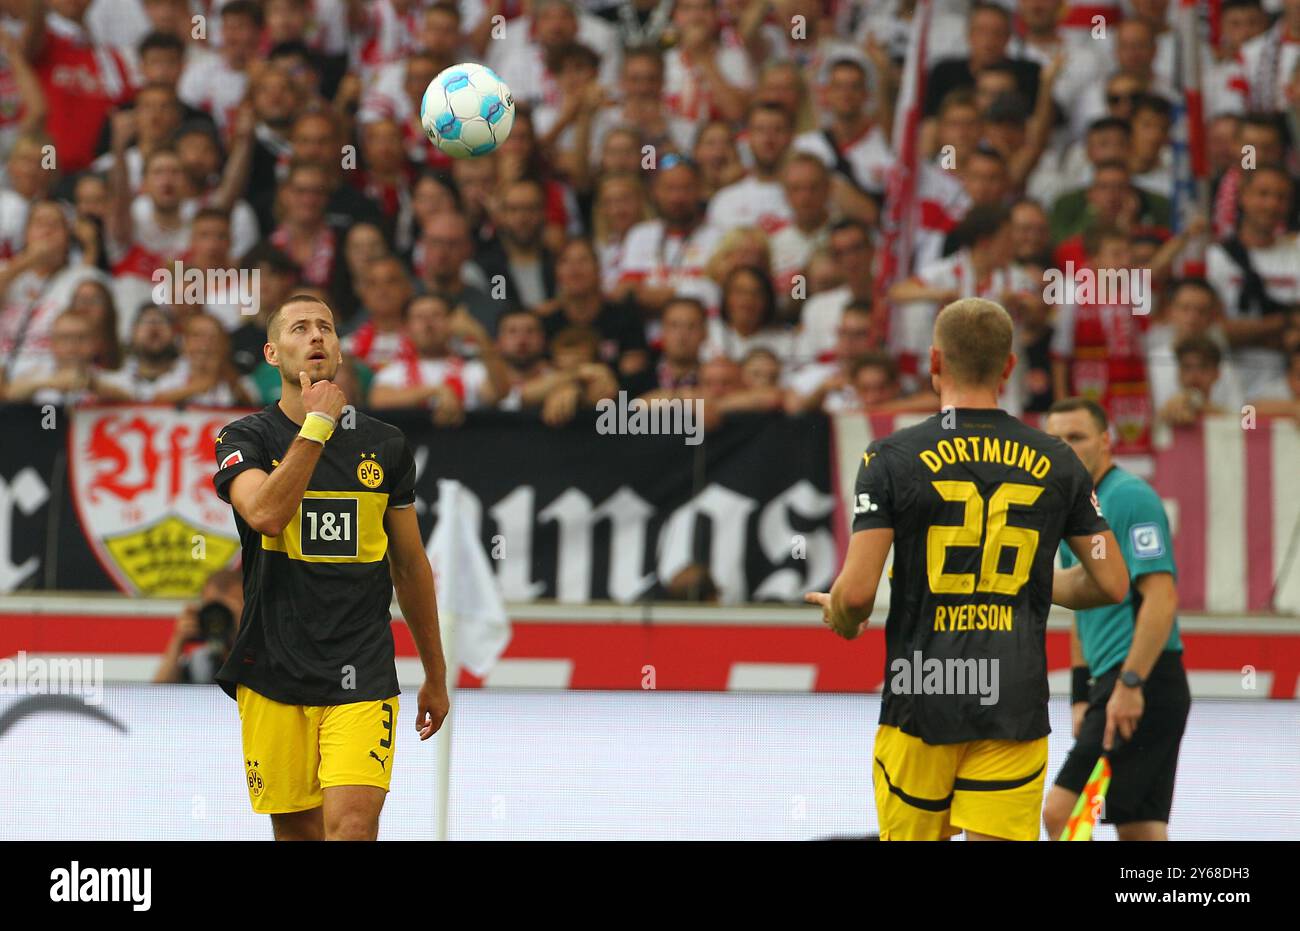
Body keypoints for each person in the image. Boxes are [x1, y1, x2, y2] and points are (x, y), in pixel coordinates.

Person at [806, 298, 1128, 841]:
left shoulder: (891, 457)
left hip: (920, 697)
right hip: (1014, 698)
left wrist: (840, 614)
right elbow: (1111, 580)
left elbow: (857, 594)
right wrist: (1032, 581)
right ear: (1008, 366)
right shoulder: (1059, 460)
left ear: (935, 362)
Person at [212, 293, 450, 840]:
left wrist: (435, 675)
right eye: (299, 328)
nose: (316, 335)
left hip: (361, 668)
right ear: (272, 353)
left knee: (352, 827)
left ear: (341, 351)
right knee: (300, 836)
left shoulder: (384, 445)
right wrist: (317, 426)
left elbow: (410, 566)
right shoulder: (243, 438)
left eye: (326, 327)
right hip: (273, 667)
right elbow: (267, 514)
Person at [1042, 398, 1190, 841]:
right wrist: (1081, 695)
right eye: (1055, 440)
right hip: (1117, 683)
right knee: (1139, 828)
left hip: (1142, 680)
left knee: (1061, 814)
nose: (1065, 449)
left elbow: (1161, 598)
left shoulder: (1129, 498)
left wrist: (1130, 684)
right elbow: (1080, 612)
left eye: (1077, 437)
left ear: (1106, 441)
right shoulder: (1077, 508)